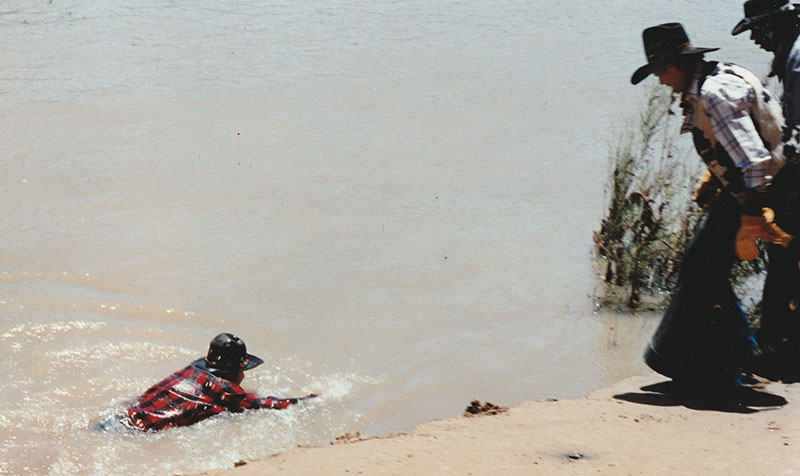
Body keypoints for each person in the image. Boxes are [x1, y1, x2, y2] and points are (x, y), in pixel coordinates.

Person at [630, 23, 793, 388]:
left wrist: (752, 217)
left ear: (682, 63)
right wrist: (717, 180)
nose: (659, 79)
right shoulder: (718, 76)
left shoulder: (713, 94)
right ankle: (732, 356)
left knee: (704, 267)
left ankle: (738, 358)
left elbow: (753, 162)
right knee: (702, 266)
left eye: (662, 69)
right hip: (759, 185)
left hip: (765, 190)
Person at [733, 0, 800, 372]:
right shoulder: (792, 53)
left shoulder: (797, 57)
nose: (756, 38)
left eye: (759, 29)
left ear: (777, 24)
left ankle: (776, 349)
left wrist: (774, 172)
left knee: (785, 253)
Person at [125, 333, 316, 431]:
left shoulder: (189, 372)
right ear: (235, 372)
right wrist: (317, 400)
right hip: (139, 433)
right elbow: (271, 405)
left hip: (119, 418)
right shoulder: (226, 390)